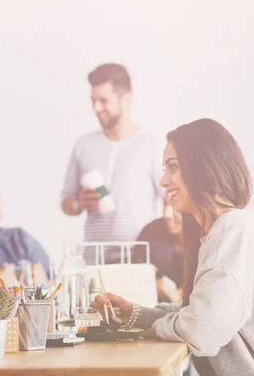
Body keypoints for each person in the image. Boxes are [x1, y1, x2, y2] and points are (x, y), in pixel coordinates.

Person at [91, 119, 254, 375]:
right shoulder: (212, 234)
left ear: (204, 168)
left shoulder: (235, 229)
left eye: (173, 168)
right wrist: (136, 313)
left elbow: (201, 330)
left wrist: (152, 325)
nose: (163, 181)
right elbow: (195, 313)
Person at [61, 63, 164, 263]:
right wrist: (79, 203)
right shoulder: (84, 145)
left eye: (103, 100)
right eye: (93, 101)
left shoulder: (153, 145)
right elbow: (66, 202)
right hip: (93, 259)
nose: (96, 108)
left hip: (139, 258)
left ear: (126, 99)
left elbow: (170, 200)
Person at [134, 191, 183, 301]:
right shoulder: (151, 232)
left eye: (174, 205)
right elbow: (137, 278)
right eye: (165, 204)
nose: (166, 214)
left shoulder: (209, 237)